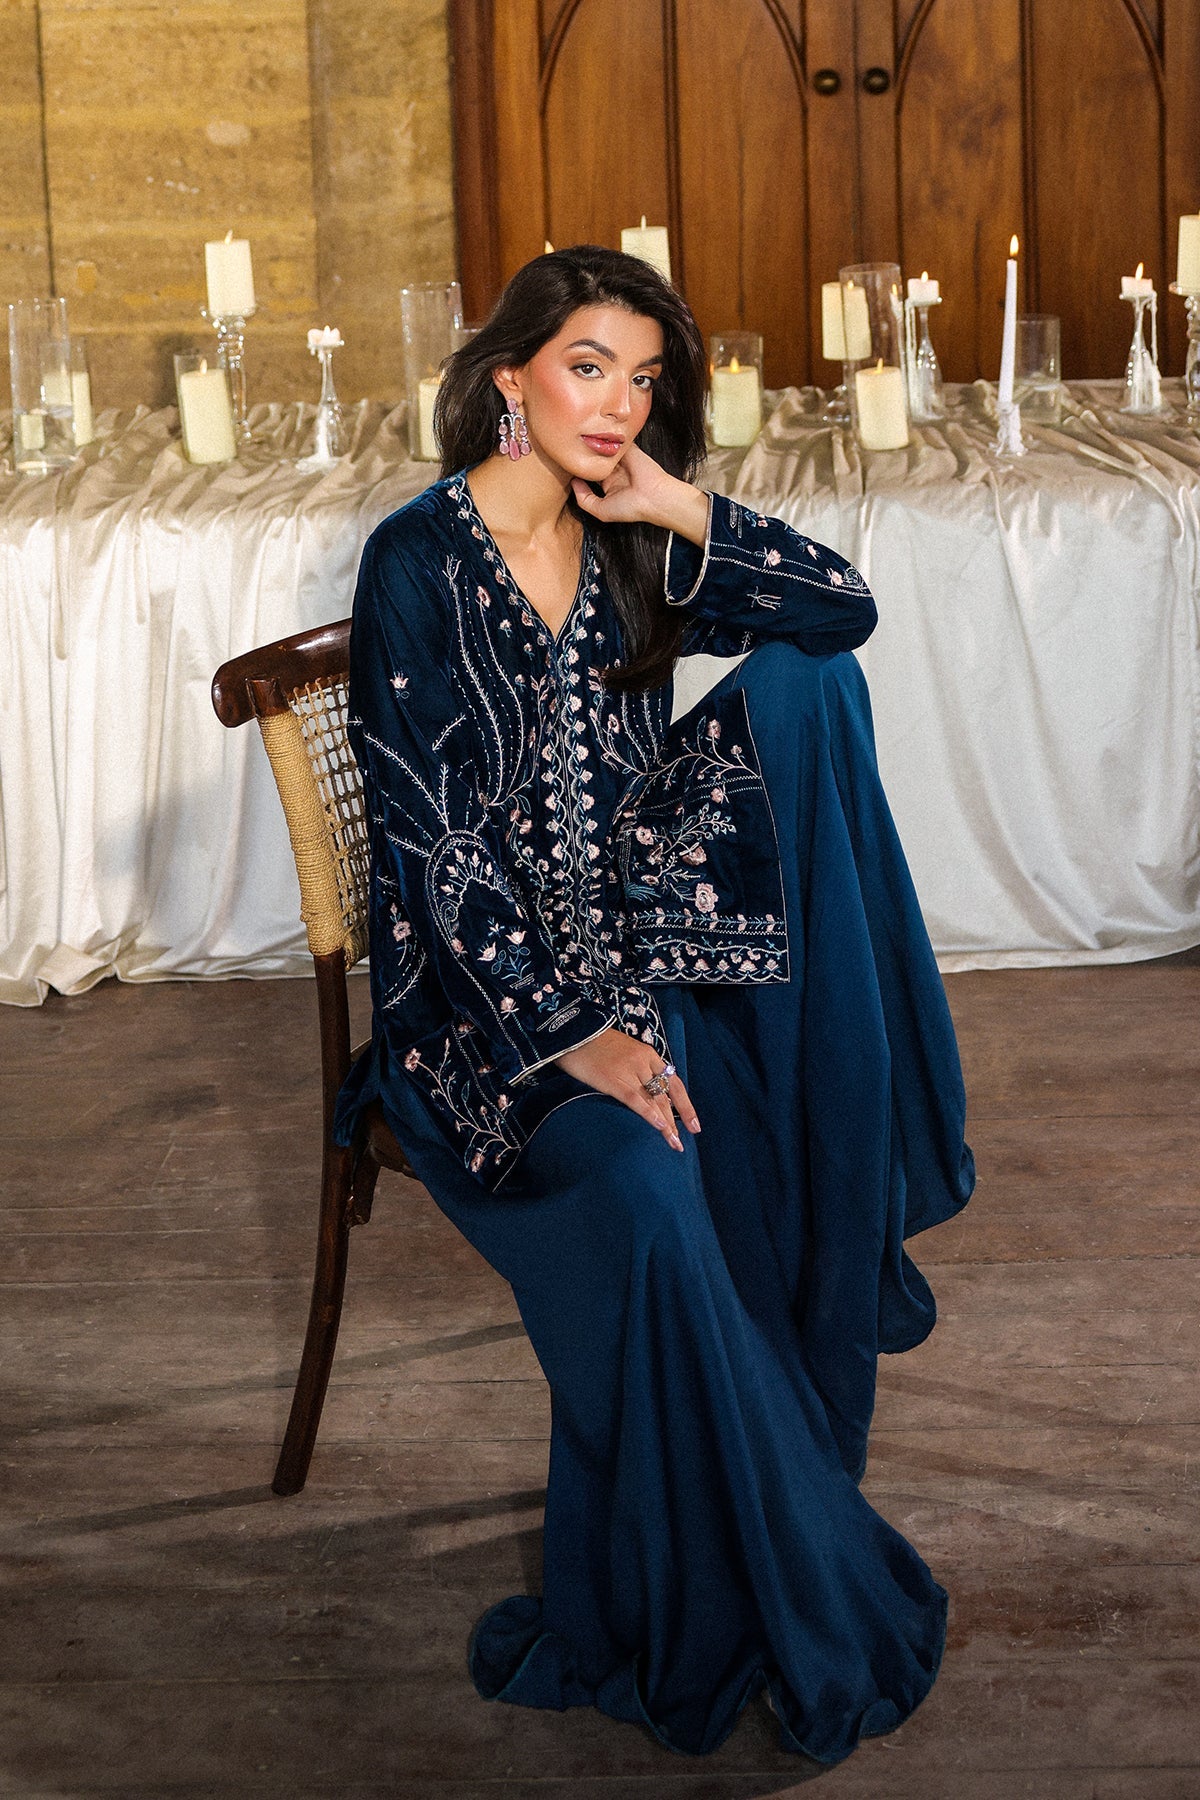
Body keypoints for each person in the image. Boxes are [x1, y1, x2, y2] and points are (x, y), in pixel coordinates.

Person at [334, 244, 974, 1765]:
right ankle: (736, 1560)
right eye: (586, 369)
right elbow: (428, 852)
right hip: (482, 1015)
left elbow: (841, 609)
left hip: (643, 942)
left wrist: (680, 507)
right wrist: (573, 1034)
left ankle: (767, 1466)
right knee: (648, 1177)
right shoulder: (415, 562)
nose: (617, 405)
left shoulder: (632, 533)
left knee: (810, 689)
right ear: (510, 377)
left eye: (641, 379)